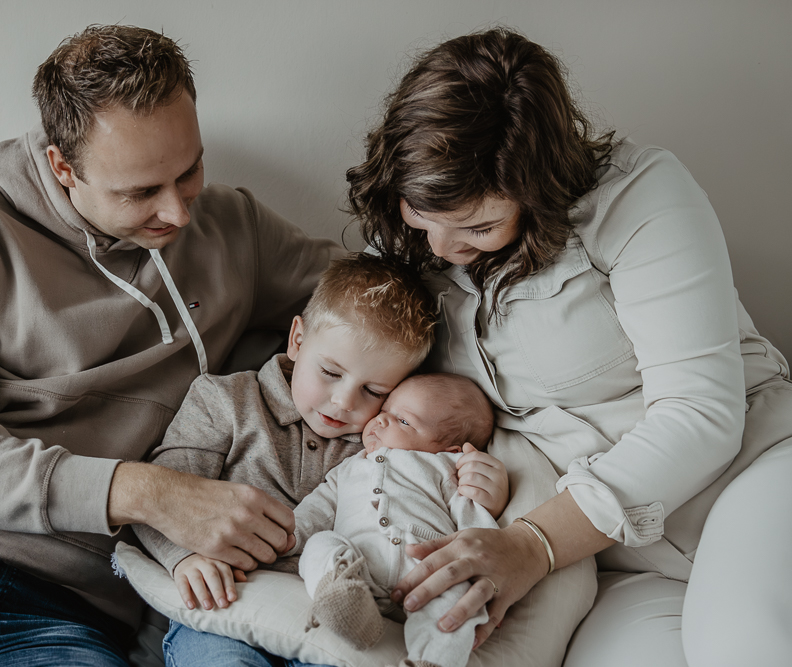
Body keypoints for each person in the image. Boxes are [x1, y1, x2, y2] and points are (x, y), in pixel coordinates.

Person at [0, 25, 343, 665]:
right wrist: (153, 493)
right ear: (62, 166)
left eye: (189, 169)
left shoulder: (235, 229)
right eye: (140, 192)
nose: (178, 214)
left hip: (64, 609)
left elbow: (377, 304)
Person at [345, 27, 792, 667]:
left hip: (749, 475)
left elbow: (701, 414)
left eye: (479, 225)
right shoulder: (405, 249)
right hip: (612, 559)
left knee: (743, 649)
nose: (443, 249)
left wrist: (530, 545)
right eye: (424, 215)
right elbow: (334, 352)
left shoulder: (639, 196)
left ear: (537, 189)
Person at [132, 253, 510, 667]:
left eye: (373, 391)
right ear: (297, 339)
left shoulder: (381, 445)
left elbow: (436, 488)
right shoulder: (224, 401)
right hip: (228, 600)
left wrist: (483, 489)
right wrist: (184, 558)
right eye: (331, 372)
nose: (344, 402)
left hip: (333, 613)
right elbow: (161, 494)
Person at [292, 372, 498, 667]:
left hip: (427, 569)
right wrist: (290, 533)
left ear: (448, 450)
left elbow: (473, 526)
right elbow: (319, 505)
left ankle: (431, 660)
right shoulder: (350, 466)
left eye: (404, 421)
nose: (381, 421)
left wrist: (484, 565)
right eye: (385, 410)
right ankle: (342, 600)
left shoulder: (445, 468)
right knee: (318, 545)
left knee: (459, 598)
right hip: (356, 563)